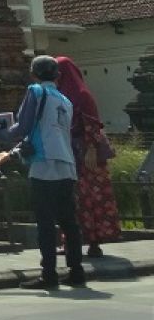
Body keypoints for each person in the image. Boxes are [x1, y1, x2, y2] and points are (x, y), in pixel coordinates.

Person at [0, 55, 85, 290]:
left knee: (45, 222)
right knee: (69, 222)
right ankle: (76, 271)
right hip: (67, 163)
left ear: (33, 74)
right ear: (57, 76)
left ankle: (49, 275)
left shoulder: (36, 92)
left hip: (44, 164)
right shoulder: (65, 100)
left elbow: (23, 127)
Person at [55, 56, 121, 258]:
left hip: (86, 153)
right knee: (74, 198)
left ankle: (94, 242)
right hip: (71, 151)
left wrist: (91, 148)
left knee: (91, 197)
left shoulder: (82, 95)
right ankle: (73, 242)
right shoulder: (60, 95)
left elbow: (92, 123)